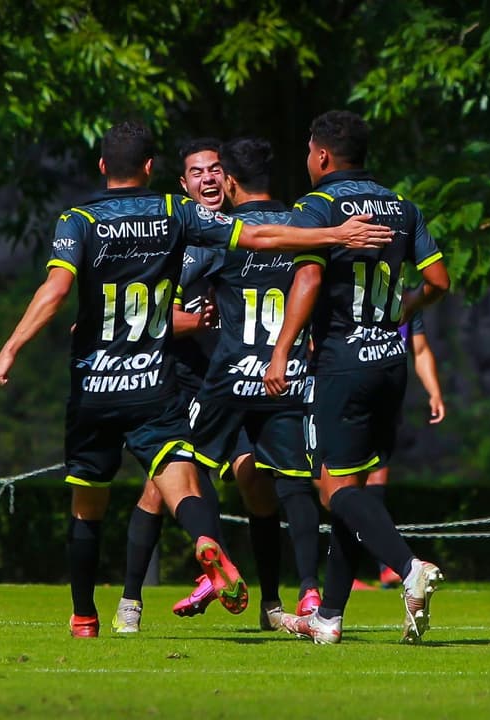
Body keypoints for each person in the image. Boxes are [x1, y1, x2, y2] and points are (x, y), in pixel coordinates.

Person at [0, 119, 392, 638]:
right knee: (181, 487)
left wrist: (10, 349)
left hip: (95, 386)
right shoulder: (176, 213)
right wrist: (334, 233)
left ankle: (87, 616)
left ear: (104, 166)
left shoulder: (79, 219)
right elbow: (260, 233)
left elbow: (56, 289)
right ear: (154, 168)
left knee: (89, 506)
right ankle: (209, 544)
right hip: (157, 385)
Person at [265, 109, 450, 645]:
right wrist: (406, 305)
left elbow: (306, 276)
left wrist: (281, 353)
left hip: (341, 362)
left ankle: (409, 568)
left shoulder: (319, 206)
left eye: (308, 150)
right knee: (354, 485)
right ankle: (329, 618)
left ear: (321, 155)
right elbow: (438, 279)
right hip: (390, 362)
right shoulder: (401, 206)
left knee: (332, 491)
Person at [173, 137, 325, 631]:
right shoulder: (302, 224)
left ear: (231, 182)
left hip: (230, 375)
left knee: (183, 465)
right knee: (291, 484)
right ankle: (304, 593)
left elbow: (176, 280)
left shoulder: (224, 233)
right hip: (285, 376)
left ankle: (213, 565)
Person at [116, 138, 227, 633]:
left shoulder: (241, 233)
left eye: (216, 169)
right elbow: (149, 314)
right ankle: (206, 575)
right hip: (172, 380)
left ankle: (133, 602)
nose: (208, 178)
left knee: (171, 487)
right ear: (183, 185)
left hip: (223, 377)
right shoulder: (172, 234)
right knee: (165, 488)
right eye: (196, 172)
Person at [370, 307, 445, 588]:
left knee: (374, 485)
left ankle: (385, 565)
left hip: (384, 410)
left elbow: (421, 350)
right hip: (346, 401)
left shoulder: (408, 302)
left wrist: (434, 391)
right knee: (334, 488)